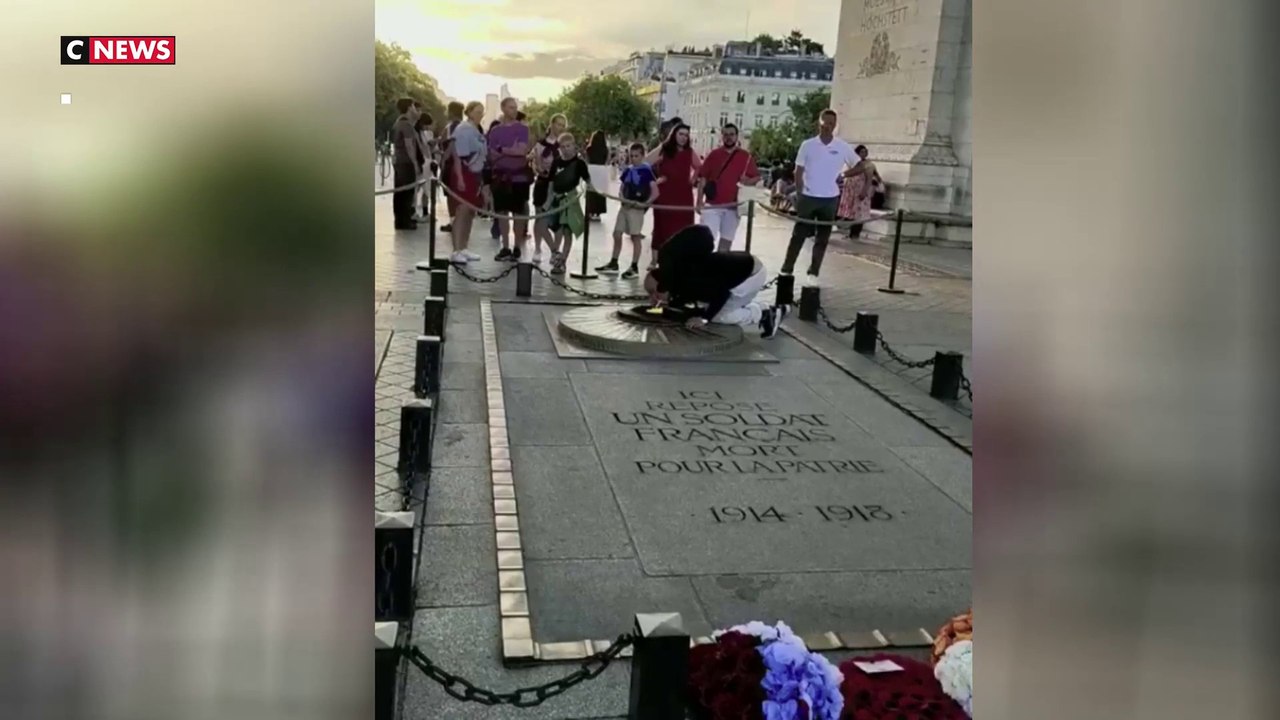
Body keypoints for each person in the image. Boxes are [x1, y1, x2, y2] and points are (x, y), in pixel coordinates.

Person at [643, 224, 786, 338]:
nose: (653, 297)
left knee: (720, 316)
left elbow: (721, 294)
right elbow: (679, 303)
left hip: (750, 276)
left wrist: (705, 319)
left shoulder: (689, 280)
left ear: (666, 284)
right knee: (710, 306)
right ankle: (761, 307)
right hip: (740, 270)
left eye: (654, 292)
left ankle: (765, 314)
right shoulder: (680, 274)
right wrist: (659, 308)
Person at [779, 109, 862, 286]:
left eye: (831, 124)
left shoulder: (842, 146)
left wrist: (843, 175)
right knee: (799, 234)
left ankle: (814, 272)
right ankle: (787, 268)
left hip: (830, 198)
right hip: (809, 196)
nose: (828, 127)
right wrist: (801, 193)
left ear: (835, 125)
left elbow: (860, 165)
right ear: (819, 123)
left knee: (822, 238)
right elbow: (798, 171)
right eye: (825, 123)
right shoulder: (807, 145)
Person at [596, 142, 658, 279]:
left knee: (635, 236)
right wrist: (622, 197)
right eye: (632, 156)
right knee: (617, 233)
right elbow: (622, 187)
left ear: (642, 156)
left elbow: (655, 192)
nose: (634, 158)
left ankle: (634, 266)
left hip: (636, 208)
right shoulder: (628, 170)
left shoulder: (647, 171)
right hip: (625, 207)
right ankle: (614, 262)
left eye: (637, 156)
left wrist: (644, 204)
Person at [696, 123, 761, 252]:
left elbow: (757, 177)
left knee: (726, 242)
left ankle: (719, 269)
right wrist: (699, 201)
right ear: (722, 137)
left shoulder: (745, 157)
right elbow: (702, 178)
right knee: (706, 240)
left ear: (737, 136)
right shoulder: (714, 155)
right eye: (726, 135)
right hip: (712, 205)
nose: (728, 137)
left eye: (731, 134)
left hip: (733, 207)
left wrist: (747, 181)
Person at [645, 122, 701, 254]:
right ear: (674, 134)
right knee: (663, 227)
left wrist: (692, 180)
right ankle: (659, 259)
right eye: (681, 134)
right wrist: (655, 181)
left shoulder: (689, 152)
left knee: (683, 228)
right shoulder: (664, 149)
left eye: (686, 135)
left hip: (683, 195)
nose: (683, 137)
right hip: (665, 194)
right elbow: (646, 162)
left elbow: (699, 166)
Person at [487, 98, 532, 261]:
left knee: (518, 213)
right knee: (502, 213)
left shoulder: (523, 129)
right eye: (511, 107)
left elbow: (521, 150)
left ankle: (517, 246)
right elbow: (491, 154)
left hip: (519, 176)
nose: (514, 110)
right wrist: (508, 150)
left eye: (515, 107)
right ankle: (505, 246)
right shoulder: (495, 131)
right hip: (500, 176)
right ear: (503, 108)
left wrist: (502, 149)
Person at [540, 132, 591, 275]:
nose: (566, 149)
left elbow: (588, 180)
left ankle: (562, 261)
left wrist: (591, 195)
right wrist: (547, 201)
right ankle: (555, 252)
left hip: (570, 198)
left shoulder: (579, 163)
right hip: (555, 198)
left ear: (574, 146)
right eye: (562, 147)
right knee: (543, 226)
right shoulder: (556, 161)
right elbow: (551, 182)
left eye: (568, 146)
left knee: (567, 231)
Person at [447, 101, 487, 264]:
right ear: (469, 112)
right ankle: (456, 249)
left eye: (482, 112)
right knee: (462, 211)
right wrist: (460, 178)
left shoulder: (475, 130)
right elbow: (458, 156)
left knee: (470, 212)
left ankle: (464, 247)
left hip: (475, 173)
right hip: (464, 172)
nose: (480, 115)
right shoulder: (463, 130)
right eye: (477, 112)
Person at [528, 114, 567, 266]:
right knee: (539, 218)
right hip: (543, 183)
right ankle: (538, 248)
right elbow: (534, 161)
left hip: (558, 185)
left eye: (563, 125)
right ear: (551, 124)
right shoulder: (540, 144)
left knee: (557, 222)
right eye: (558, 124)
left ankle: (554, 251)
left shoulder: (565, 145)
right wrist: (538, 168)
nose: (560, 128)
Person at [390, 98, 423, 230]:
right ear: (410, 108)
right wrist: (415, 163)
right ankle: (404, 221)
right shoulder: (406, 125)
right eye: (414, 107)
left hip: (400, 161)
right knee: (406, 192)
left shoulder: (399, 123)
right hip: (406, 162)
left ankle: (401, 220)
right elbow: (409, 145)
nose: (416, 110)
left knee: (400, 192)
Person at [838, 144, 879, 239]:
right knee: (850, 213)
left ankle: (855, 234)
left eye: (865, 152)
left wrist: (864, 191)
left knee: (859, 214)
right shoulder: (851, 163)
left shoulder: (869, 164)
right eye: (861, 152)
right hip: (850, 191)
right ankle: (850, 233)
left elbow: (869, 179)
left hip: (861, 191)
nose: (864, 154)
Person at [438, 101, 465, 233]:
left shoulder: (453, 127)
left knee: (451, 193)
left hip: (452, 163)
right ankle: (458, 220)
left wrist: (443, 160)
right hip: (461, 163)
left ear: (451, 112)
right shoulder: (465, 126)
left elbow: (451, 144)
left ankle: (454, 220)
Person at [413, 113, 435, 221]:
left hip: (426, 161)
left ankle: (423, 212)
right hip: (425, 161)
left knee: (424, 188)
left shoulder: (420, 133)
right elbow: (424, 148)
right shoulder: (419, 133)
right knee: (423, 188)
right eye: (427, 125)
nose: (428, 127)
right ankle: (420, 212)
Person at [584, 131, 610, 221]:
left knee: (591, 192)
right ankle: (598, 212)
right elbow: (607, 161)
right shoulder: (605, 149)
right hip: (601, 170)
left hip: (592, 170)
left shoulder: (589, 148)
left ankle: (590, 211)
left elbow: (586, 160)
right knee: (600, 192)